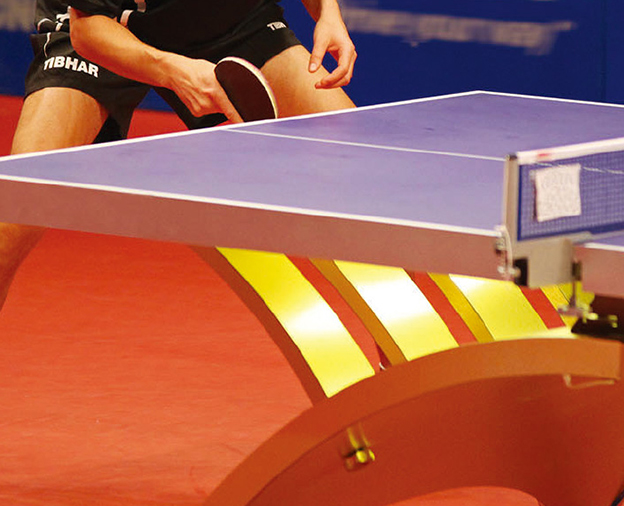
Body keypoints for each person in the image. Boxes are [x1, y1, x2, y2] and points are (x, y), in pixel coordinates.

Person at [0, 0, 357, 312]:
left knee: (359, 175)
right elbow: (87, 31)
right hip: (105, 24)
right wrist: (173, 71)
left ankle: (390, 356)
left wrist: (328, 12)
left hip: (225, 18)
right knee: (18, 207)